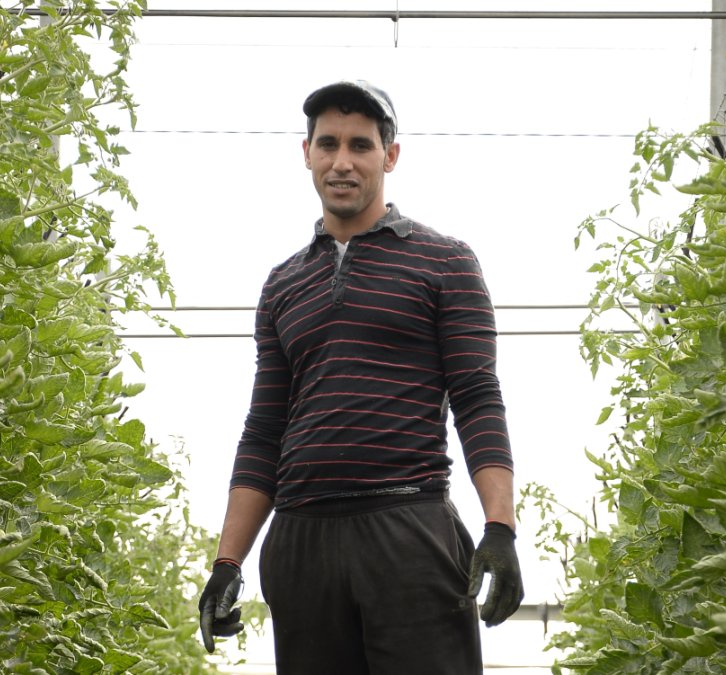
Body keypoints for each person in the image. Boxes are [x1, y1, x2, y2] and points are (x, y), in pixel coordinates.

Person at [197, 79, 523, 674]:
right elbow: (264, 431)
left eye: (360, 145)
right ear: (306, 154)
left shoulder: (444, 261)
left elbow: (477, 399)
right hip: (302, 539)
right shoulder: (282, 284)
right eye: (327, 144)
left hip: (409, 529)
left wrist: (499, 526)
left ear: (389, 156)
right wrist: (228, 563)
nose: (341, 162)